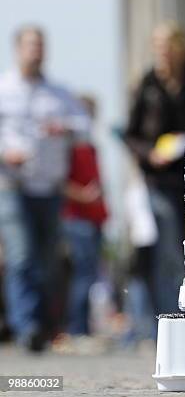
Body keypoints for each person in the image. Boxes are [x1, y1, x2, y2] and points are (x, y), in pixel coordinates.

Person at [0, 26, 89, 351]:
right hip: (12, 184)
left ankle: (44, 324)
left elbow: (85, 126)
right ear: (17, 49)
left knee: (48, 260)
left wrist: (64, 127)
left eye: (40, 45)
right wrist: (5, 153)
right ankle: (27, 327)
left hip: (50, 188)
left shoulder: (59, 93)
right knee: (22, 255)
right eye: (30, 45)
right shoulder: (4, 88)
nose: (35, 51)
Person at [124, 21, 185, 320]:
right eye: (158, 45)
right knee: (167, 252)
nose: (162, 52)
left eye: (168, 45)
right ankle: (170, 316)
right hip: (158, 180)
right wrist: (149, 154)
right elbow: (131, 134)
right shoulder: (147, 86)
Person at [61, 96, 108, 336]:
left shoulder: (90, 146)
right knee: (82, 274)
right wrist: (83, 195)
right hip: (77, 218)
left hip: (95, 218)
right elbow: (59, 182)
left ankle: (82, 327)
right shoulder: (68, 146)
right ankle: (76, 329)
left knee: (91, 275)